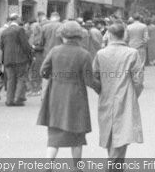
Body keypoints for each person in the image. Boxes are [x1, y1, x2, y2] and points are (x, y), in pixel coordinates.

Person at [37, 21, 98, 164]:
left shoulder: (54, 51)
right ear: (79, 36)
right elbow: (89, 80)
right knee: (77, 134)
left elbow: (43, 71)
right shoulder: (84, 54)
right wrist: (101, 89)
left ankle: (48, 164)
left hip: (55, 95)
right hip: (76, 97)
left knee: (54, 133)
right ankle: (77, 166)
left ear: (62, 36)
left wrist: (52, 77)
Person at [93, 23, 144, 170]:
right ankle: (113, 166)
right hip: (126, 95)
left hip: (106, 96)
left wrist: (102, 90)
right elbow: (138, 80)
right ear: (124, 35)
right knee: (123, 132)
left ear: (108, 35)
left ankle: (115, 165)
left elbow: (94, 77)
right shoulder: (132, 53)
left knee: (110, 133)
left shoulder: (100, 54)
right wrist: (134, 94)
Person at [0, 14, 33, 106]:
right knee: (21, 78)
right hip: (20, 59)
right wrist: (30, 55)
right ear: (17, 19)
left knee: (10, 80)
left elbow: (1, 46)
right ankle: (18, 99)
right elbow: (25, 45)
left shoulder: (5, 31)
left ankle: (9, 100)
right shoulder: (20, 30)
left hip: (7, 59)